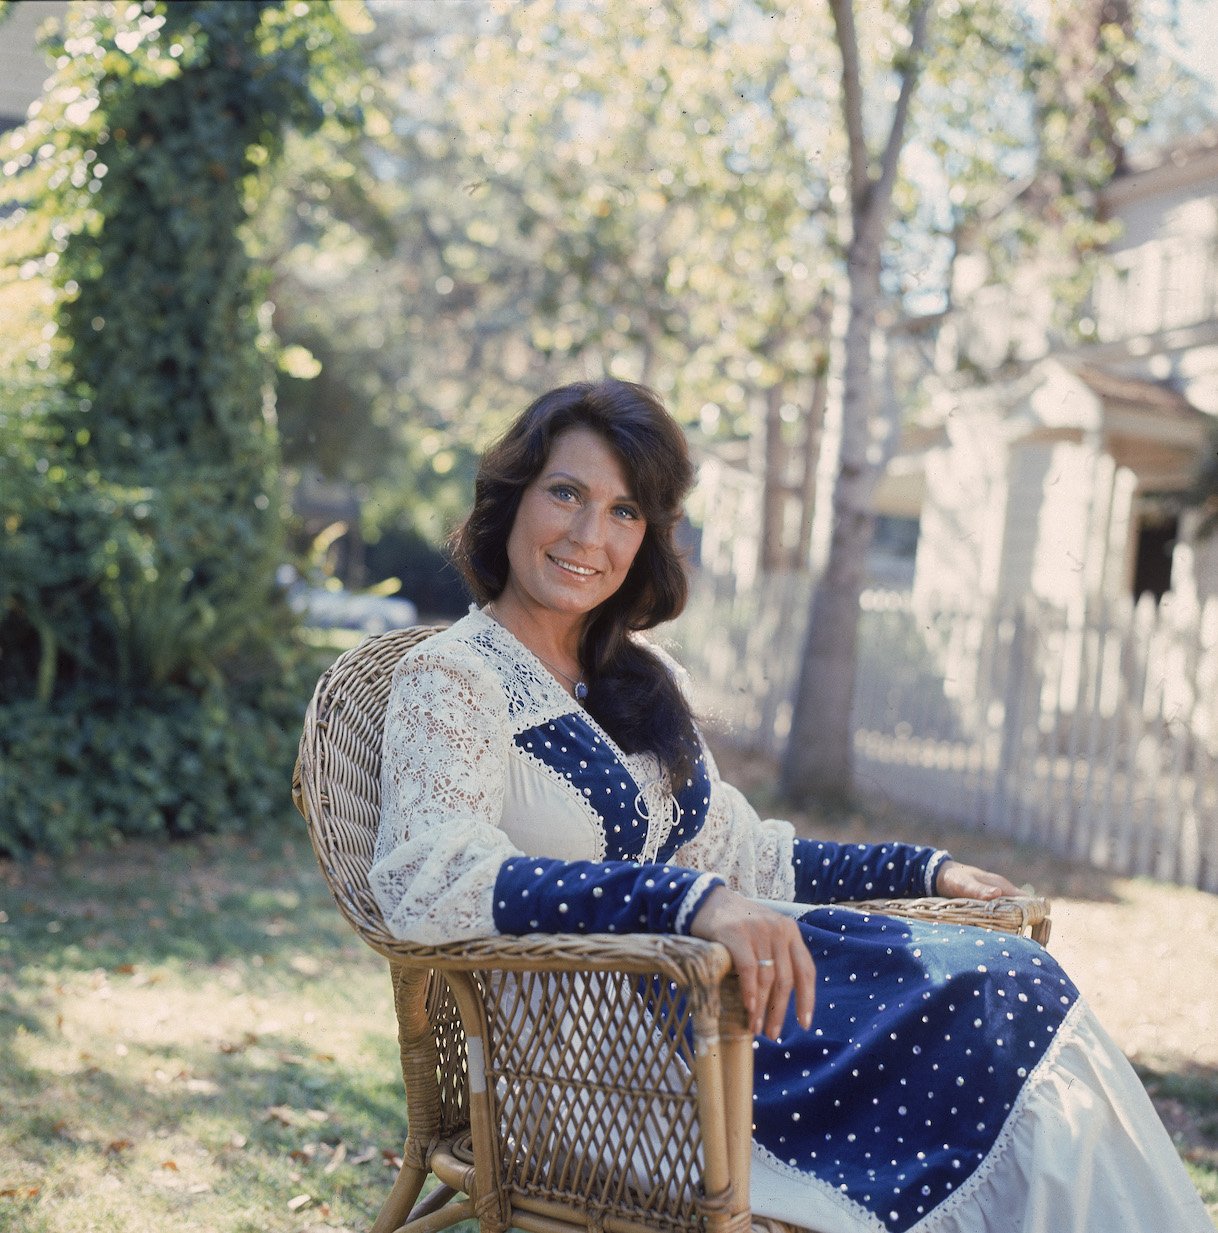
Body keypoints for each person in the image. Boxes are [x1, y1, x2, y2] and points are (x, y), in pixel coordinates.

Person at [370, 379, 1211, 1233]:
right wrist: (685, 901)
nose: (591, 535)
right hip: (596, 1071)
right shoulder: (454, 678)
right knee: (997, 1003)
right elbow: (430, 879)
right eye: (566, 493)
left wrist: (918, 868)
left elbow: (750, 856)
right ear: (511, 498)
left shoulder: (639, 681)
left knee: (1011, 985)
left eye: (625, 512)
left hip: (721, 1023)